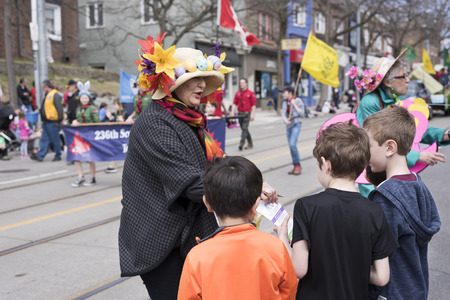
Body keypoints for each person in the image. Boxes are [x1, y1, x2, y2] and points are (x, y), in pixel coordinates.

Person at [118, 36, 278, 299]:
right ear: (171, 83)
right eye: (193, 78)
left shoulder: (188, 117)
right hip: (162, 242)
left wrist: (255, 182)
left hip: (187, 235)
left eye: (205, 78)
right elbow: (192, 182)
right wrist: (248, 190)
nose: (202, 84)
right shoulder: (155, 123)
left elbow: (218, 162)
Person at [275, 122, 398, 300]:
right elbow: (381, 277)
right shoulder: (375, 211)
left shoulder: (306, 206)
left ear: (326, 165)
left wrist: (283, 237)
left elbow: (299, 269)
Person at [178, 156, 298, 300]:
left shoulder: (196, 256)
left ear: (207, 203)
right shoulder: (276, 248)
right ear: (256, 206)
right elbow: (289, 291)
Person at [363, 106, 441, 300]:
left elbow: (375, 252)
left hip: (390, 293)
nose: (363, 154)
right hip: (415, 287)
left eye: (368, 146)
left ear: (390, 147)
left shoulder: (385, 198)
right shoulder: (417, 183)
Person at [355, 49, 450, 197]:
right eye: (403, 76)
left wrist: (446, 135)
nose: (408, 80)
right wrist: (416, 156)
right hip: (374, 177)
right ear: (387, 81)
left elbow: (416, 130)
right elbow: (376, 142)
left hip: (392, 174)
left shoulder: (397, 102)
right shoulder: (370, 102)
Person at [71, 81, 100, 187]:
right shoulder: (78, 109)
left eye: (85, 98)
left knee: (90, 157)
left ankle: (92, 177)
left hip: (89, 136)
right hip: (79, 136)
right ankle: (80, 176)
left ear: (89, 99)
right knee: (76, 156)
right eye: (82, 98)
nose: (84, 100)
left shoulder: (93, 109)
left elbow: (97, 123)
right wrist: (75, 122)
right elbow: (78, 119)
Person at [31, 80, 64, 162]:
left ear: (46, 87)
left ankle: (58, 154)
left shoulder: (54, 95)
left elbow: (59, 108)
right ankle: (40, 155)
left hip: (53, 121)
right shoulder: (48, 95)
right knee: (44, 139)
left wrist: (60, 119)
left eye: (43, 87)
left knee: (54, 139)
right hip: (47, 121)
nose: (42, 89)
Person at [281, 86, 305, 175]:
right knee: (291, 146)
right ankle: (295, 164)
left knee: (292, 144)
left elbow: (302, 114)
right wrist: (285, 120)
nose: (283, 94)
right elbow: (283, 114)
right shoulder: (284, 102)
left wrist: (293, 104)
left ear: (290, 93)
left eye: (284, 92)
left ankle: (298, 164)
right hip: (288, 125)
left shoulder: (297, 100)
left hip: (296, 123)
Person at [232, 78, 256, 151]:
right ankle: (250, 143)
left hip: (247, 114)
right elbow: (234, 104)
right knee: (244, 129)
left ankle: (242, 143)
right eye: (240, 83)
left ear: (246, 84)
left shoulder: (251, 93)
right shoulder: (238, 93)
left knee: (244, 128)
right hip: (240, 113)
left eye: (242, 83)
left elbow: (254, 105)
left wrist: (253, 115)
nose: (241, 84)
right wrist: (233, 114)